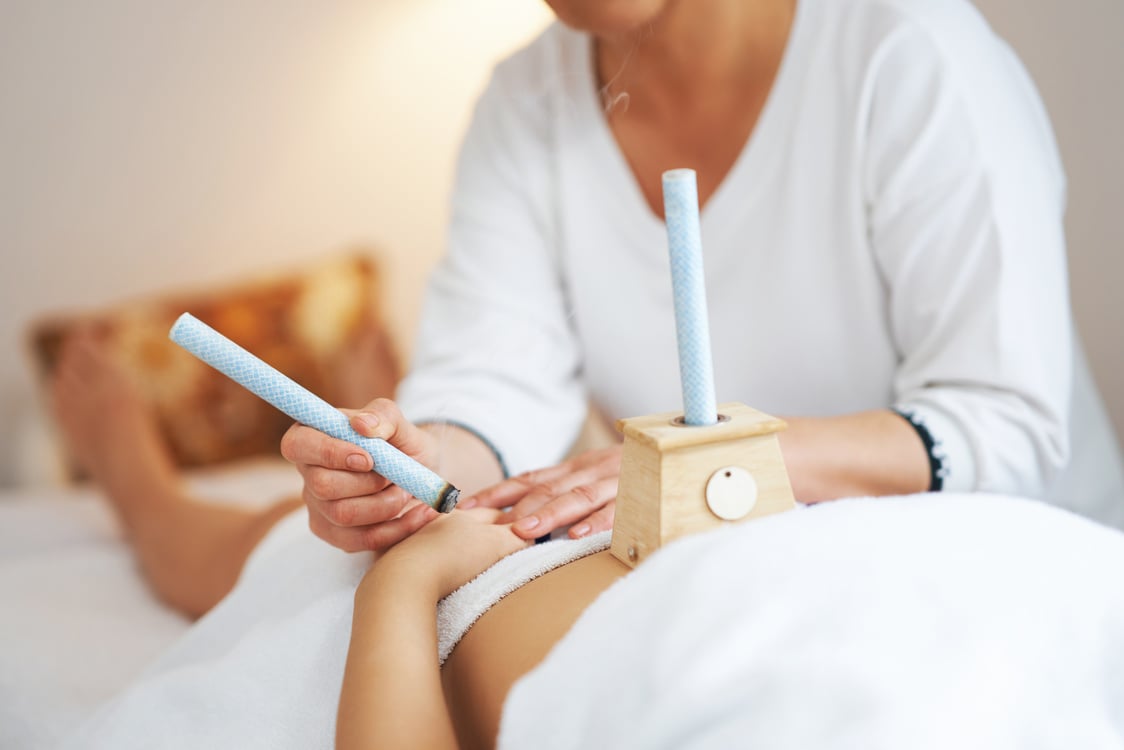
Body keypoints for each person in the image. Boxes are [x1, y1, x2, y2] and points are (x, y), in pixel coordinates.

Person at [282, 0, 1124, 555]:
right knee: (300, 575)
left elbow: (1007, 426)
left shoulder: (907, 54)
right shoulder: (522, 104)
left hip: (1008, 565)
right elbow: (491, 386)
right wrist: (416, 467)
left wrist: (719, 461)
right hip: (739, 568)